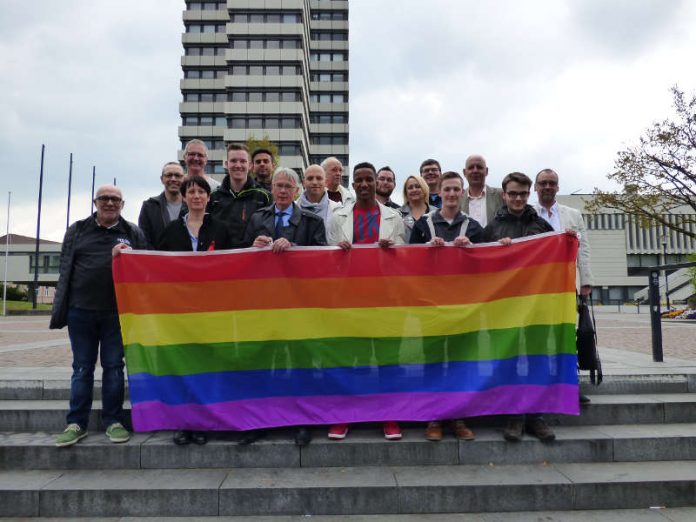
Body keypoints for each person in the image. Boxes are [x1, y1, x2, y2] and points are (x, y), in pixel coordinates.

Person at [51, 185, 148, 447]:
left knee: (114, 368)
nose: (109, 203)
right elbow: (65, 267)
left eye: (115, 199)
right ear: (95, 202)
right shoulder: (78, 229)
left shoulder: (132, 232)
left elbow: (145, 267)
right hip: (80, 311)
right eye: (104, 198)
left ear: (122, 204)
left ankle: (113, 421)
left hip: (117, 313)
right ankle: (76, 422)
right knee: (82, 368)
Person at [240, 167, 327, 447]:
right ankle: (261, 419)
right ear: (272, 188)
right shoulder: (257, 218)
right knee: (264, 362)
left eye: (287, 187)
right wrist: (253, 246)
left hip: (298, 305)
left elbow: (320, 260)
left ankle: (301, 421)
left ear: (297, 191)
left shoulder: (312, 221)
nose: (281, 191)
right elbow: (240, 257)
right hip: (264, 304)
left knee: (299, 363)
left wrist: (295, 247)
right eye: (278, 186)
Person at [327, 162, 405, 441]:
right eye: (358, 180)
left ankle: (389, 415)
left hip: (385, 299)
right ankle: (346, 414)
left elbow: (405, 261)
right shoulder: (338, 216)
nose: (363, 185)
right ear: (353, 183)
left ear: (375, 183)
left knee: (387, 359)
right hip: (351, 299)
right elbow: (328, 260)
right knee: (352, 359)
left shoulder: (394, 217)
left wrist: (393, 252)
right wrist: (340, 253)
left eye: (368, 180)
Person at [152, 176, 232, 445]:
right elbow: (156, 266)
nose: (196, 196)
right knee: (185, 366)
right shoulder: (172, 230)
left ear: (209, 197)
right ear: (184, 197)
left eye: (201, 191)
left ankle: (206, 420)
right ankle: (184, 422)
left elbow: (237, 263)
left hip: (213, 311)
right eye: (191, 191)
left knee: (209, 366)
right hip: (181, 310)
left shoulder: (222, 229)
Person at [482, 172, 557, 443]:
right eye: (513, 193)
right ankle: (513, 415)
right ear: (504, 195)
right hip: (504, 309)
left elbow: (556, 261)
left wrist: (568, 240)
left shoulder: (543, 227)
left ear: (529, 194)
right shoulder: (491, 229)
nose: (517, 198)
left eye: (523, 194)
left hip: (536, 306)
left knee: (537, 360)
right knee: (508, 361)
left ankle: (536, 416)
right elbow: (482, 270)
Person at [410, 171, 485, 441]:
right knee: (432, 362)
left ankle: (458, 416)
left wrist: (472, 249)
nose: (452, 194)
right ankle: (434, 417)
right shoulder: (423, 225)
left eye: (456, 189)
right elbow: (408, 265)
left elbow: (485, 268)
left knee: (460, 362)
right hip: (431, 306)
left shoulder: (474, 228)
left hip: (463, 308)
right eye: (447, 189)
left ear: (462, 192)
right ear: (438, 192)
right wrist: (426, 250)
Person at [534, 168, 594, 404]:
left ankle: (570, 384)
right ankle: (540, 384)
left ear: (558, 187)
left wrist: (586, 281)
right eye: (543, 183)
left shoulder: (573, 215)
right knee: (539, 337)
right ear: (535, 188)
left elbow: (584, 249)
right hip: (538, 288)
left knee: (567, 337)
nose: (548, 187)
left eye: (552, 183)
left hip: (567, 286)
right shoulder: (528, 215)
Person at [208, 143, 272, 248]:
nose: (238, 165)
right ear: (226, 164)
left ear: (250, 165)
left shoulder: (264, 196)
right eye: (233, 161)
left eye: (243, 161)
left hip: (252, 259)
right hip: (221, 259)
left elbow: (269, 229)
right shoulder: (213, 196)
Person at [138, 161, 186, 247]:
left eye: (178, 176)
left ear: (184, 179)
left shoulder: (192, 206)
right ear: (162, 179)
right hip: (156, 259)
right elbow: (143, 240)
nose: (173, 179)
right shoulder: (149, 207)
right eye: (169, 175)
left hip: (185, 259)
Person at [297, 164, 341, 240]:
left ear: (326, 182)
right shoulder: (291, 208)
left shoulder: (339, 210)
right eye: (310, 178)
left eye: (319, 178)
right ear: (303, 183)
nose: (314, 182)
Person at [460, 154, 504, 227]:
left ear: (486, 171)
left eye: (479, 167)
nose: (475, 170)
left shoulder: (501, 195)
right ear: (464, 172)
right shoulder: (458, 199)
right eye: (471, 167)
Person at [400, 175, 432, 242]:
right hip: (405, 252)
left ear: (424, 189)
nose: (414, 190)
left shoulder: (436, 212)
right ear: (406, 192)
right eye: (410, 188)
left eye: (418, 187)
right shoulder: (397, 214)